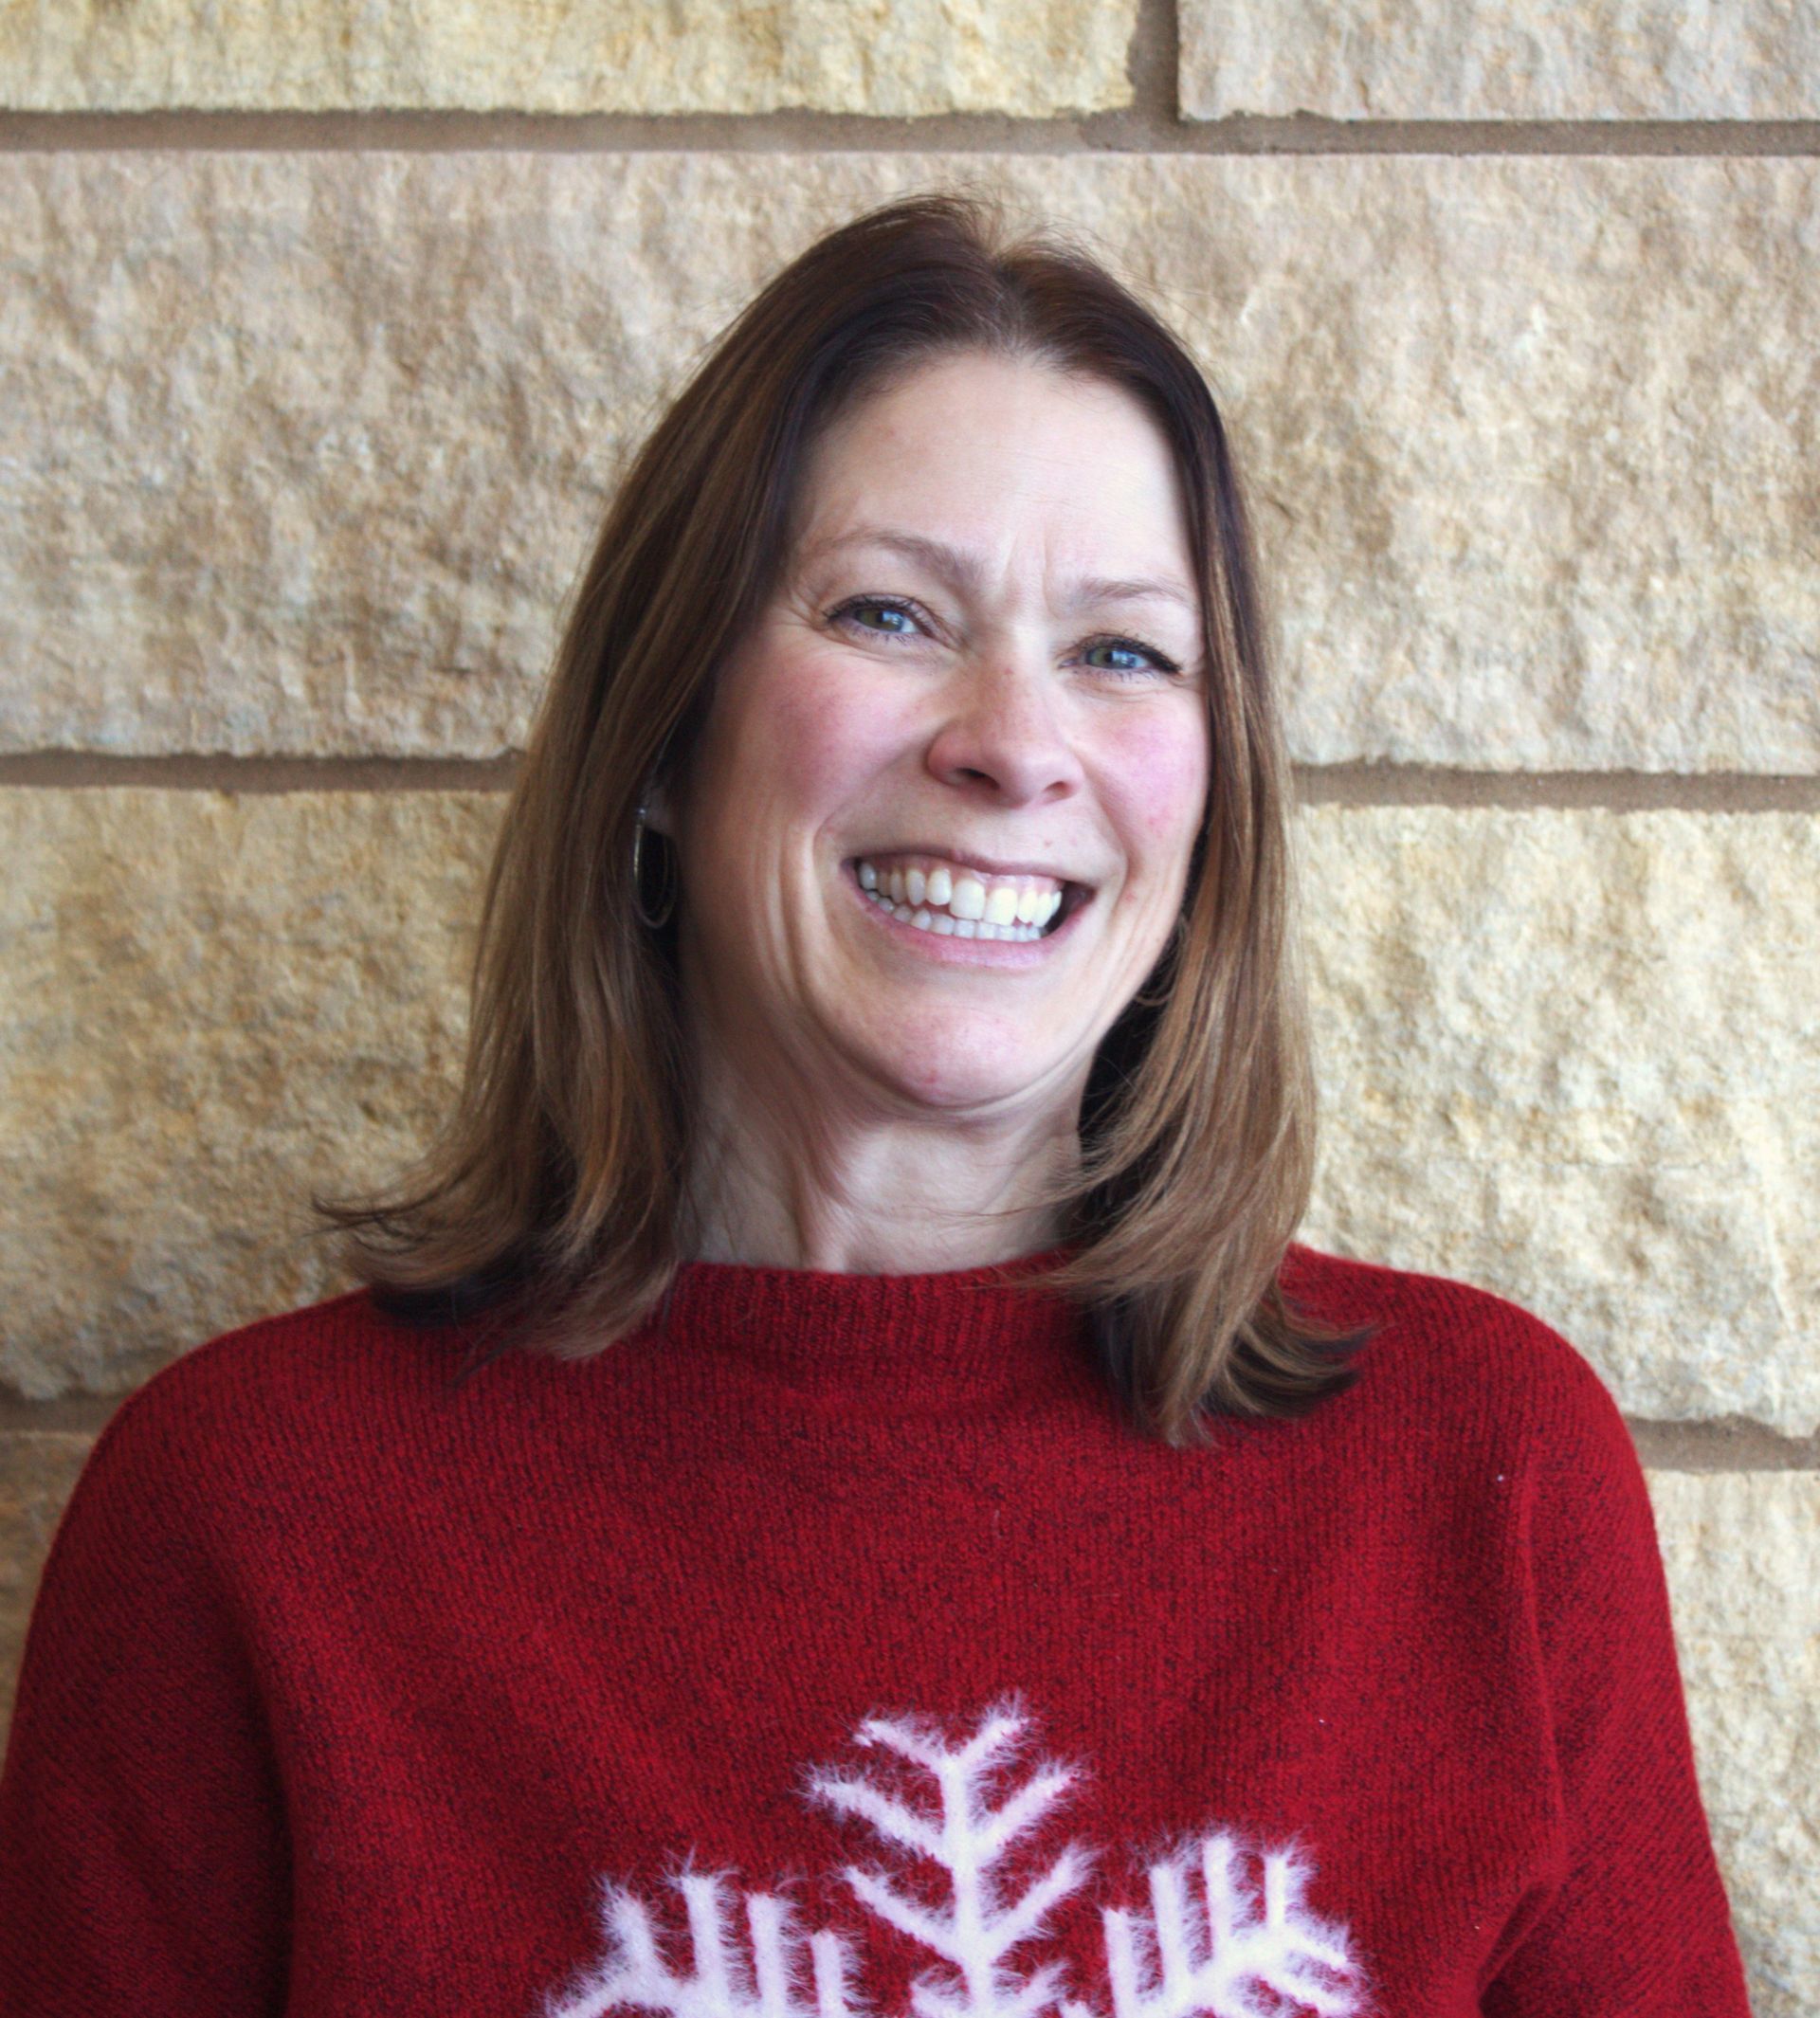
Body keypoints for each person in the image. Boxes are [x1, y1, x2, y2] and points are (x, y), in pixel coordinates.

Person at [0, 195, 1749, 2017]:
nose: (1012, 738)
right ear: (664, 735)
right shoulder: (256, 1519)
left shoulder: (1484, 1481)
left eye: (1124, 652)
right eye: (892, 612)